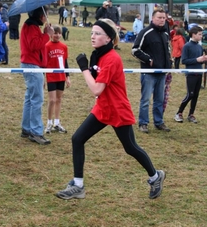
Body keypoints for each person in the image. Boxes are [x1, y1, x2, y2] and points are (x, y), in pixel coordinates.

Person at [55, 18, 165, 200]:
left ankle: (155, 176)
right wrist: (88, 68)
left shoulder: (111, 59)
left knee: (130, 148)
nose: (93, 36)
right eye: (92, 32)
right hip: (103, 108)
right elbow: (97, 83)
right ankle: (78, 185)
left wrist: (84, 69)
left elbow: (96, 88)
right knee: (77, 139)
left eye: (98, 33)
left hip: (117, 110)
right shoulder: (99, 55)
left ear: (108, 39)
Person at [132, 8, 172, 134]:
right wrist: (149, 60)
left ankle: (159, 122)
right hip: (148, 73)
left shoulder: (166, 33)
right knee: (145, 100)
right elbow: (135, 50)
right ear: (152, 19)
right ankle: (143, 123)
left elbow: (168, 50)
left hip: (162, 73)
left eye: (163, 18)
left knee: (159, 100)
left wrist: (169, 63)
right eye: (159, 17)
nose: (161, 20)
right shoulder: (145, 32)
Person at [20, 6, 54, 145]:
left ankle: (27, 128)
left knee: (30, 98)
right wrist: (47, 35)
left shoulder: (32, 26)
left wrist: (45, 32)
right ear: (41, 16)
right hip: (31, 65)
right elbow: (34, 45)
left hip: (32, 65)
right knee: (37, 100)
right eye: (45, 15)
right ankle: (36, 131)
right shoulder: (30, 26)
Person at [174, 26, 207, 124]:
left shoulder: (199, 47)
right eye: (199, 34)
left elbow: (200, 61)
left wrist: (203, 59)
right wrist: (197, 60)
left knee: (196, 95)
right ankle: (179, 113)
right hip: (191, 74)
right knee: (190, 94)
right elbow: (184, 60)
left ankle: (191, 114)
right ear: (193, 34)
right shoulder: (187, 46)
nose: (201, 36)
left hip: (199, 73)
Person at [44, 25, 71, 134]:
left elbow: (65, 63)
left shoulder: (64, 47)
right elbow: (44, 63)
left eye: (59, 33)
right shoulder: (46, 46)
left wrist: (67, 77)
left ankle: (57, 122)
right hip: (51, 76)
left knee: (59, 99)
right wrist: (43, 78)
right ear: (51, 34)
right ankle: (49, 123)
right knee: (52, 100)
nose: (58, 35)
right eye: (55, 33)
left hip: (61, 77)